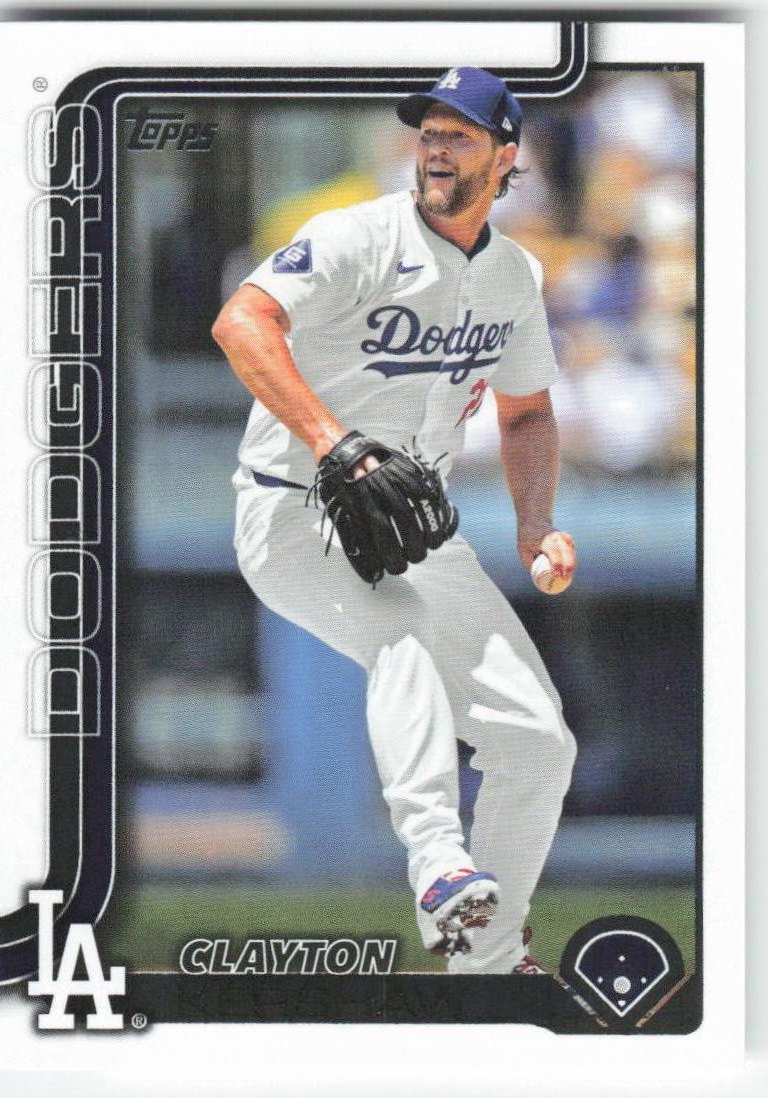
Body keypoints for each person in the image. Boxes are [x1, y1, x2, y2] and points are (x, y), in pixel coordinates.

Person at [212, 67, 577, 973]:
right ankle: (438, 863)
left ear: (505, 156)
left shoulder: (513, 274)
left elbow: (527, 413)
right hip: (294, 508)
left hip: (416, 522)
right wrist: (334, 443)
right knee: (400, 634)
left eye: (460, 134)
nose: (437, 148)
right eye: (429, 132)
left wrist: (534, 525)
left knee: (537, 742)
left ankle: (484, 963)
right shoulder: (356, 236)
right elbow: (242, 323)